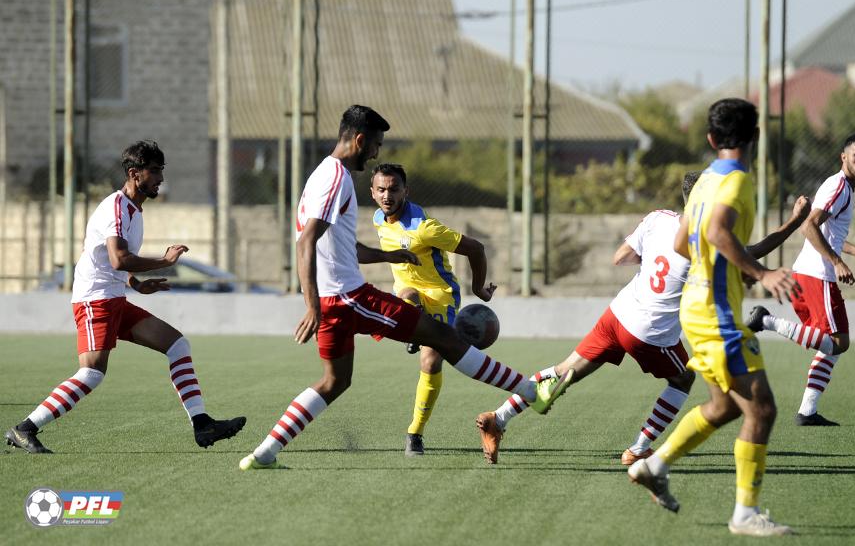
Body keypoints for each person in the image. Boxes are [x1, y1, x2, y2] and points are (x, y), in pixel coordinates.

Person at [239, 105, 572, 471]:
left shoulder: (320, 174)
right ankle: (531, 391)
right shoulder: (337, 178)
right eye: (376, 145)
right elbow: (306, 241)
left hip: (337, 301)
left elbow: (343, 247)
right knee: (445, 338)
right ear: (360, 140)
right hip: (349, 298)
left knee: (335, 381)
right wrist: (312, 305)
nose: (376, 153)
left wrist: (387, 256)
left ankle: (264, 453)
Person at [476, 173, 810, 466]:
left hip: (618, 314)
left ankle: (498, 418)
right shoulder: (707, 242)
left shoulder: (658, 218)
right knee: (682, 380)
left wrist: (654, 260)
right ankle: (638, 449)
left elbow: (621, 257)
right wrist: (794, 223)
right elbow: (755, 251)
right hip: (650, 333)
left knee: (565, 370)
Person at [627, 98, 800, 537]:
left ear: (710, 138)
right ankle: (745, 514)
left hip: (696, 305)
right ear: (756, 135)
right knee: (762, 409)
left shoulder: (704, 179)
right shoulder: (738, 180)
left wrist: (713, 264)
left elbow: (682, 241)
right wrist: (761, 273)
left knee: (723, 407)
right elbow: (719, 231)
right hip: (717, 312)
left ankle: (654, 465)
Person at [5, 141, 245, 454]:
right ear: (134, 174)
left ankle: (203, 425)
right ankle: (25, 428)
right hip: (95, 300)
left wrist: (136, 284)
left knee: (177, 345)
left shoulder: (134, 210)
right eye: (154, 171)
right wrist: (164, 261)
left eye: (161, 170)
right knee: (91, 373)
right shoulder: (117, 208)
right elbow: (118, 259)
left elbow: (113, 260)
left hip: (114, 297)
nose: (160, 178)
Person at [745, 133, 855, 426]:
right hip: (817, 275)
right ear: (843, 157)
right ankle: (765, 321)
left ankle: (807, 411)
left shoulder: (843, 188)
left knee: (829, 345)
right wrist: (837, 262)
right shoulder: (840, 187)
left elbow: (829, 232)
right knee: (839, 342)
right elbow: (809, 225)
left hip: (808, 274)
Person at [370, 163, 497, 457]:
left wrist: (479, 289)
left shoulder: (424, 228)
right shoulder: (378, 218)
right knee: (407, 295)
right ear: (372, 192)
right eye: (381, 189)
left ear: (406, 191)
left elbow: (476, 248)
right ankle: (415, 331)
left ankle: (415, 433)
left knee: (430, 363)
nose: (387, 195)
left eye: (394, 189)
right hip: (409, 294)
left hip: (441, 296)